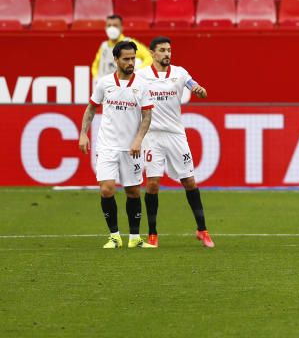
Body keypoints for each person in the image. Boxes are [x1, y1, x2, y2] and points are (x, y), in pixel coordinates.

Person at [78, 40, 156, 249]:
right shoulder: (105, 83)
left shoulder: (142, 85)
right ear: (116, 60)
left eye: (133, 58)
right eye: (127, 59)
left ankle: (134, 238)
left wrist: (139, 139)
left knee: (133, 191)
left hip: (131, 147)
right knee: (107, 189)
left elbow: (147, 116)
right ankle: (114, 236)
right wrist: (83, 133)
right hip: (108, 145)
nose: (131, 62)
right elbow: (91, 108)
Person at [137, 36, 214, 248]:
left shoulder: (180, 73)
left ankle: (202, 230)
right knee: (152, 184)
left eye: (169, 50)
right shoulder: (141, 76)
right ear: (152, 53)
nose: (167, 54)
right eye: (162, 50)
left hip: (175, 135)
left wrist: (200, 90)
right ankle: (152, 234)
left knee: (189, 181)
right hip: (152, 136)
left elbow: (195, 86)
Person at [92, 14, 153, 83]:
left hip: (123, 85)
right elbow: (95, 66)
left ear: (121, 28)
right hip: (106, 86)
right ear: (105, 28)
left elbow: (149, 57)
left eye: (115, 25)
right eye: (109, 26)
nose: (111, 28)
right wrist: (97, 77)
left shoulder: (129, 43)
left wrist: (138, 72)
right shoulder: (104, 46)